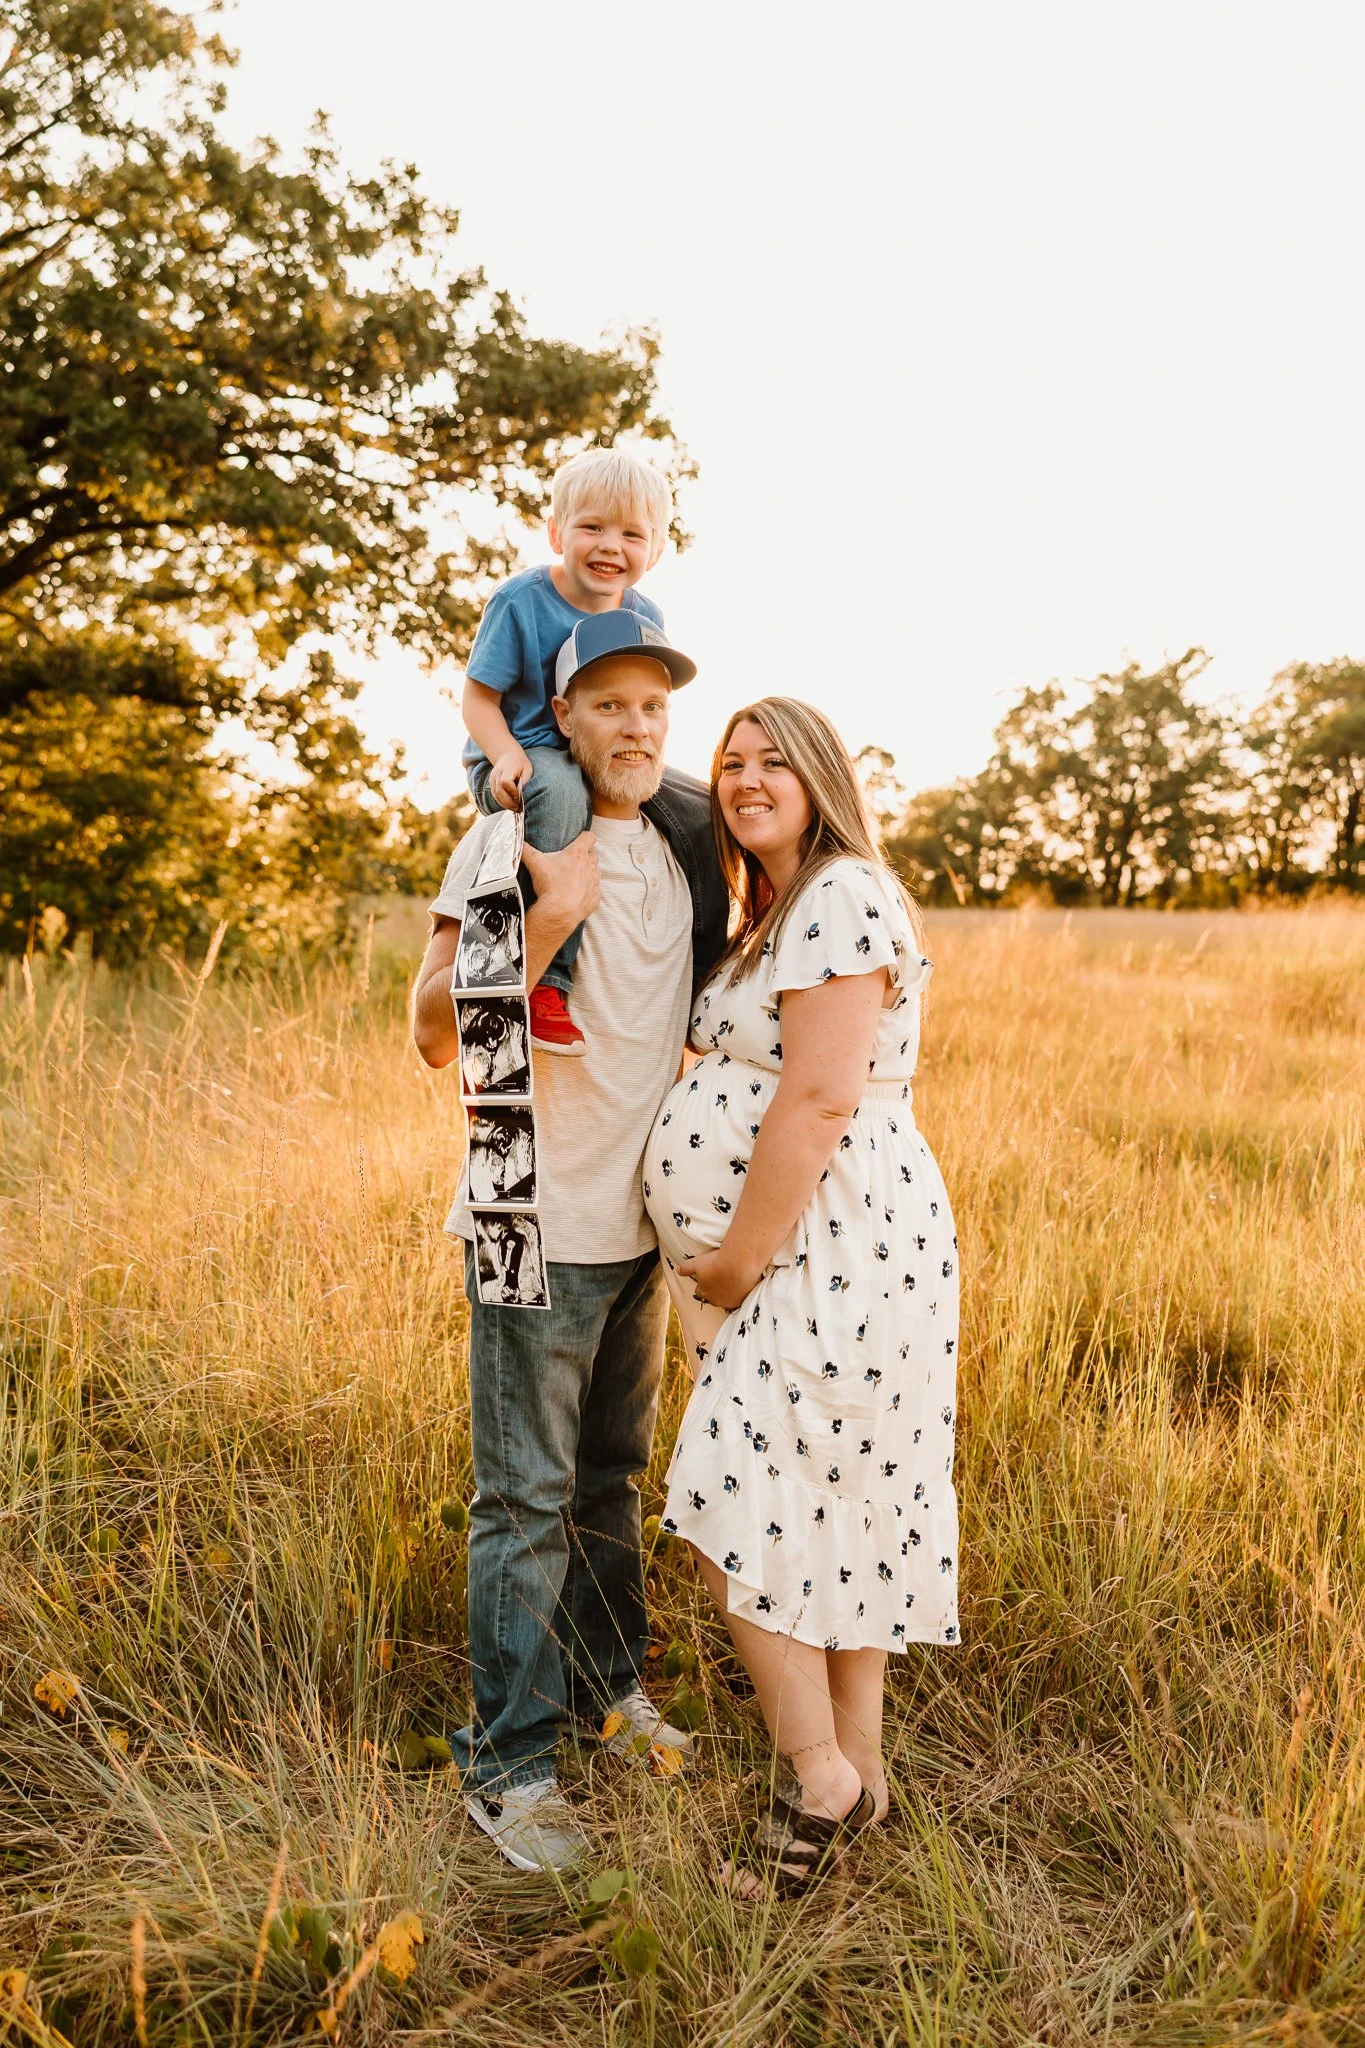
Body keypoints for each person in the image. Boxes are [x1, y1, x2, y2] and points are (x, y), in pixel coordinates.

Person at [413, 613, 728, 1874]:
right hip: (526, 1216)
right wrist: (547, 921)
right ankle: (509, 1763)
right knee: (526, 1498)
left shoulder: (686, 847)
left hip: (639, 1230)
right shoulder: (510, 836)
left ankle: (607, 1692)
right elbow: (435, 1032)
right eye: (608, 705)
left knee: (610, 1483)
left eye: (653, 705)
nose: (637, 726)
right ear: (563, 719)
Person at [643, 697, 960, 1895]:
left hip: (833, 1246)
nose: (744, 777)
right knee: (833, 1493)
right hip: (828, 1243)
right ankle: (860, 1777)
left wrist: (728, 1262)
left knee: (735, 1477)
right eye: (730, 763)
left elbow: (820, 1100)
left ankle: (816, 1769)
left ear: (824, 775)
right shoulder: (772, 911)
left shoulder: (838, 894)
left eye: (775, 759)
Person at [460, 447, 682, 1055]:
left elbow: (644, 700)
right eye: (592, 527)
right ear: (557, 532)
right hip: (524, 752)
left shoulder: (646, 615)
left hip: (603, 753)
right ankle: (545, 986)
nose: (611, 546)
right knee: (559, 790)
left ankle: (707, 976)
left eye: (632, 533)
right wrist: (503, 754)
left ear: (656, 550)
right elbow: (477, 701)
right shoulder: (521, 602)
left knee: (695, 805)